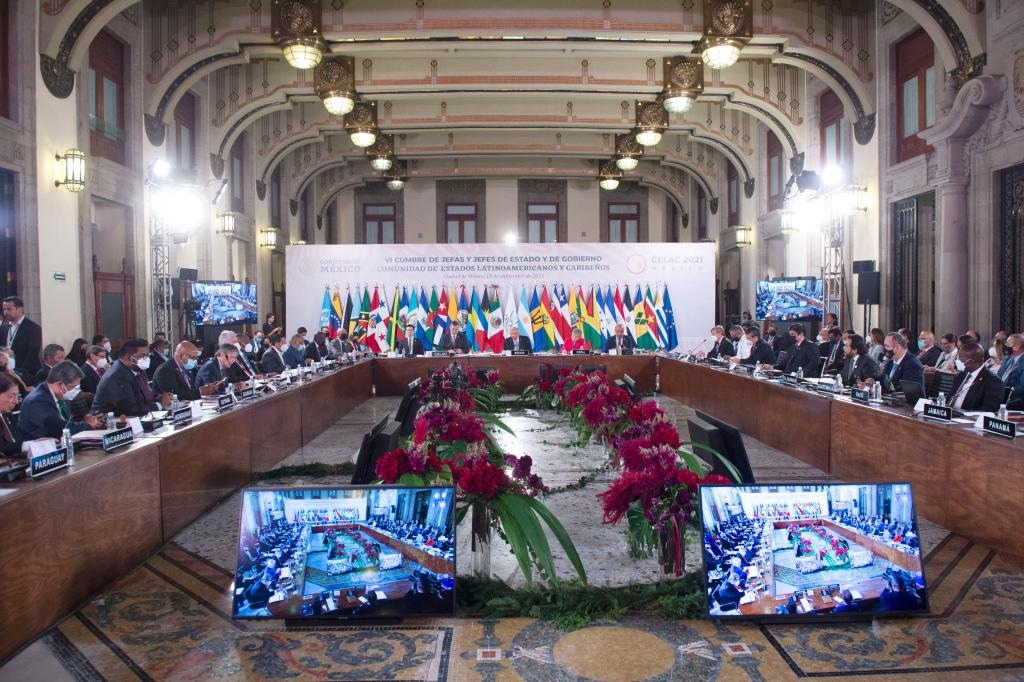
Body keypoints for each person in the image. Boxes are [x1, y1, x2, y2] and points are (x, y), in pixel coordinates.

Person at [18, 361, 102, 440]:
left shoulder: (60, 395)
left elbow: (67, 423)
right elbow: (60, 429)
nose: (76, 391)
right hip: (40, 447)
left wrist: (85, 420)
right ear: (60, 384)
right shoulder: (37, 401)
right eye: (73, 387)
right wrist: (88, 425)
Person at [92, 338, 173, 417]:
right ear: (130, 357)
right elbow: (130, 409)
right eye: (143, 356)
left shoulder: (138, 370)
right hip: (108, 421)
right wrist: (159, 405)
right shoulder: (117, 376)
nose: (146, 359)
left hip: (137, 417)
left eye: (147, 355)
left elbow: (145, 394)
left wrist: (160, 397)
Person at [947, 342, 1005, 412]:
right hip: (950, 413)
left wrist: (964, 413)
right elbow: (949, 399)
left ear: (971, 361)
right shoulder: (960, 376)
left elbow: (989, 409)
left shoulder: (993, 381)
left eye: (960, 359)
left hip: (967, 417)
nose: (957, 362)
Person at [0, 296, 43, 377]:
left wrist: (19, 373)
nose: (5, 312)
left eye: (9, 309)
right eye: (4, 309)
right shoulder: (3, 327)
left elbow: (32, 353)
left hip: (26, 373)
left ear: (19, 310)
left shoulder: (33, 328)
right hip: (6, 372)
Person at [0, 373, 24, 458]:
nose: (16, 401)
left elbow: (18, 440)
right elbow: (2, 447)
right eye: (11, 396)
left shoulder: (7, 414)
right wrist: (26, 446)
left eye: (17, 396)